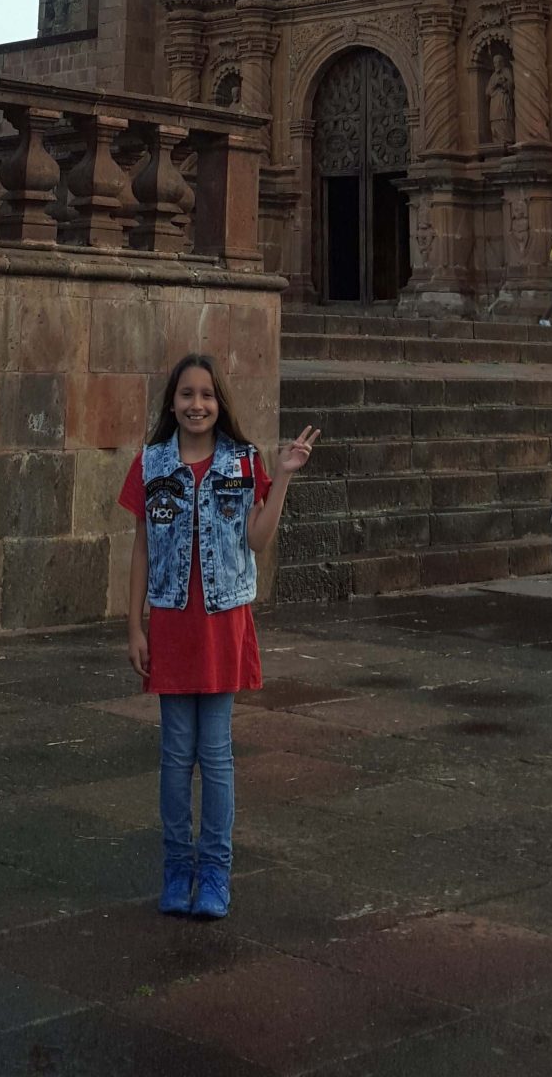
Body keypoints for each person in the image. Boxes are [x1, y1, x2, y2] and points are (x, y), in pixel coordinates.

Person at [121, 354, 319, 922]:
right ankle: (176, 868)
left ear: (219, 401)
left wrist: (281, 475)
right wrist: (133, 625)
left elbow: (257, 540)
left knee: (216, 754)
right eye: (186, 394)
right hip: (173, 621)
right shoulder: (152, 462)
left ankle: (214, 873)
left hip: (223, 621)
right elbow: (141, 548)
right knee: (175, 754)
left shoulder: (241, 462)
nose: (197, 404)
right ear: (172, 402)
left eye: (206, 394)